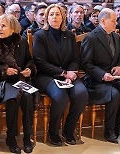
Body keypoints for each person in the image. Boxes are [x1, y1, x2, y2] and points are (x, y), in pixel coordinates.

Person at [33, 4, 88, 146]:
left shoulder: (69, 35)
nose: (54, 17)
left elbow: (75, 59)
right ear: (46, 17)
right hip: (46, 76)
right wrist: (64, 73)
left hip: (68, 75)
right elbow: (40, 63)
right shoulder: (40, 35)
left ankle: (68, 130)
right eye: (51, 14)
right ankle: (53, 131)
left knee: (81, 93)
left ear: (63, 17)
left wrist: (71, 74)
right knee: (61, 96)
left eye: (57, 14)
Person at [80, 8, 120, 143]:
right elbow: (85, 64)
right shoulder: (91, 38)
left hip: (113, 78)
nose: (116, 23)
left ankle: (118, 125)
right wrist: (102, 74)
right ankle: (109, 130)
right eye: (114, 20)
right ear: (103, 21)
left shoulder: (115, 36)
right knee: (114, 94)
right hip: (95, 81)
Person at [0, 14, 37, 153]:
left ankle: (27, 137)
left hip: (19, 81)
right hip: (0, 83)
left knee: (28, 96)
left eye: (3, 26)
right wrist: (4, 70)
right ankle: (11, 137)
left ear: (13, 28)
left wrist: (29, 69)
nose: (0, 28)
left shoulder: (22, 42)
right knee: (13, 97)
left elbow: (30, 60)